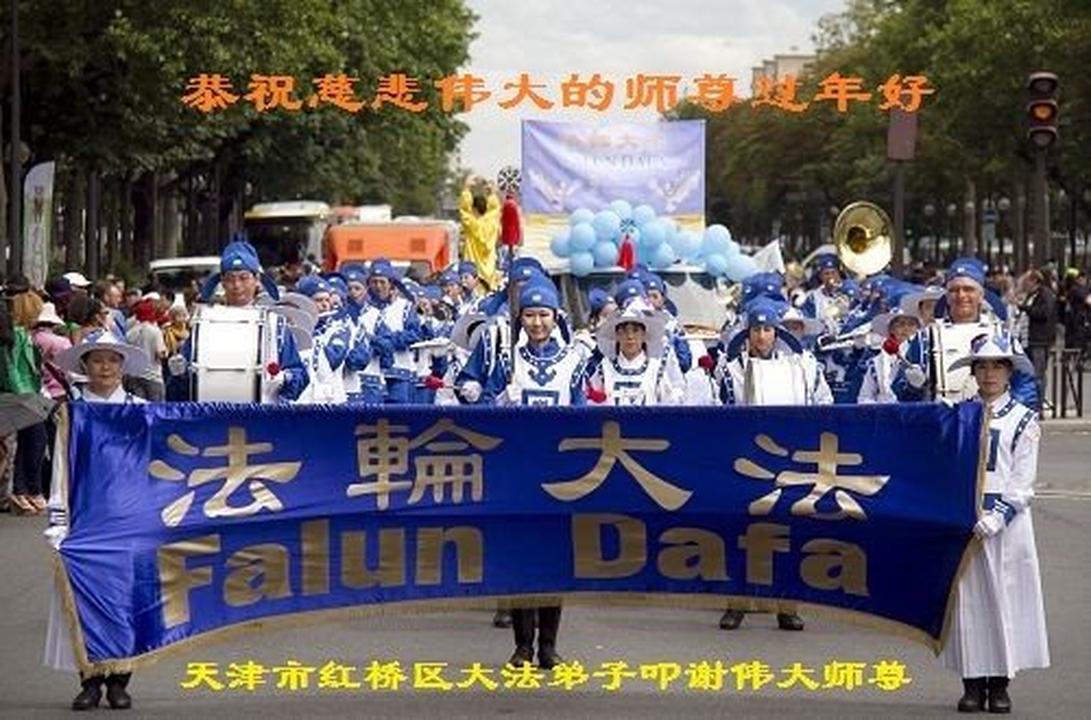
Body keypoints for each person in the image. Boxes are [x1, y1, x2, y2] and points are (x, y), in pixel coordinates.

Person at [466, 280, 584, 667]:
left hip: (559, 474)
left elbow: (584, 417)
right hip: (516, 473)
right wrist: (499, 400)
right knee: (520, 563)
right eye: (530, 315)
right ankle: (522, 646)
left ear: (555, 317)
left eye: (543, 315)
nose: (537, 323)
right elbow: (482, 409)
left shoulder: (573, 362)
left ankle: (549, 646)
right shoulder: (507, 362)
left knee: (554, 564)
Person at [939, 333, 1050, 714]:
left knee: (1005, 601)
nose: (989, 374)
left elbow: (1022, 481)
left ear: (1009, 372)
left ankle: (1000, 685)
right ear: (973, 372)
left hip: (1008, 526)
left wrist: (999, 515)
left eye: (997, 366)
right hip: (967, 522)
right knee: (968, 605)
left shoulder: (1023, 419)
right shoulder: (959, 416)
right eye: (982, 366)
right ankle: (971, 684)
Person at [47, 331, 151, 710]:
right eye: (97, 360)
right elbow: (61, 466)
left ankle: (120, 680)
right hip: (85, 516)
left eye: (112, 360)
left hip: (129, 517)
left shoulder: (141, 410)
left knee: (127, 600)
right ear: (85, 366)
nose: (105, 367)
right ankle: (89, 680)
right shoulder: (72, 412)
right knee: (84, 601)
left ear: (122, 366)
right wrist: (59, 520)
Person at [717, 298, 829, 631]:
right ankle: (736, 602)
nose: (762, 336)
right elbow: (720, 409)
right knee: (741, 533)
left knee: (787, 532)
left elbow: (823, 404)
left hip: (788, 459)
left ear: (776, 333)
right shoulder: (731, 369)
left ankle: (787, 605)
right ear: (748, 333)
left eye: (767, 330)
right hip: (745, 459)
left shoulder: (801, 368)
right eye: (756, 330)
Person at [167, 239, 308, 402]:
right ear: (222, 282)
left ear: (257, 280)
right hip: (213, 412)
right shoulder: (205, 323)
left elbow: (300, 376)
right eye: (230, 279)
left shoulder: (275, 326)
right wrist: (179, 374)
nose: (237, 285)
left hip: (263, 414)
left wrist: (285, 378)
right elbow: (182, 389)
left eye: (244, 278)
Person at [585, 301, 684, 406]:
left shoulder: (656, 368)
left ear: (644, 335)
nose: (630, 337)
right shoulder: (604, 368)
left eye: (635, 331)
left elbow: (669, 402)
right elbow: (593, 402)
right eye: (624, 331)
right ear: (617, 335)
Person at [1017, 270, 1057, 397]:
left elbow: (1043, 313)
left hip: (1039, 340)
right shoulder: (1031, 295)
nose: (1024, 284)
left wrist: (1024, 308)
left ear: (1034, 281)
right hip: (1028, 339)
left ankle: (1038, 402)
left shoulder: (1045, 295)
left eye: (1026, 281)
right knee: (1028, 373)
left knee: (1038, 373)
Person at [458, 178, 501, 290]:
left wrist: (466, 189)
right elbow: (495, 208)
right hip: (489, 272)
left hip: (472, 273)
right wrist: (492, 193)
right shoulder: (492, 222)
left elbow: (464, 210)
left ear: (474, 209)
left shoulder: (471, 223)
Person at [125, 299, 167, 401]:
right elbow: (161, 354)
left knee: (139, 408)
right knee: (156, 409)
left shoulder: (130, 333)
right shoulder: (155, 331)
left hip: (134, 376)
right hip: (153, 377)